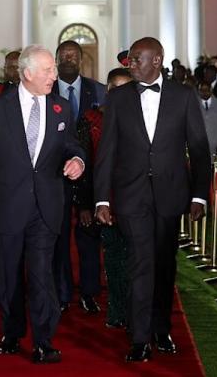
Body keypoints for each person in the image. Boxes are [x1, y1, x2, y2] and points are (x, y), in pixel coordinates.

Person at [93, 37, 210, 363]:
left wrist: (200, 194)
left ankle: (161, 328)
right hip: (131, 196)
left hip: (171, 195)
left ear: (156, 60)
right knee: (140, 262)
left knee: (164, 264)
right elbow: (107, 151)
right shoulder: (118, 98)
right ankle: (140, 337)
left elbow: (199, 150)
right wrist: (102, 199)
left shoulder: (183, 96)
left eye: (135, 59)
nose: (130, 64)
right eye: (130, 60)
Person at [0, 44, 86, 365]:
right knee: (8, 275)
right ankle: (11, 331)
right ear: (28, 73)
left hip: (47, 207)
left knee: (41, 275)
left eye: (53, 69)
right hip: (6, 205)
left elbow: (73, 146)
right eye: (48, 70)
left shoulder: (61, 108)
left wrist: (77, 160)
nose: (54, 75)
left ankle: (43, 341)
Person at [51, 40, 106, 315]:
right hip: (55, 176)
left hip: (90, 175)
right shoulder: (46, 91)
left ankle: (89, 293)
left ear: (81, 59)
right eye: (64, 55)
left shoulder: (98, 91)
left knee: (88, 238)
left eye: (74, 55)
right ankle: (61, 293)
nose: (69, 59)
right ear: (57, 59)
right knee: (58, 238)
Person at [82, 67, 132, 329]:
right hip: (106, 202)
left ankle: (136, 310)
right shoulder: (92, 120)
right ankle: (117, 309)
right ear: (107, 90)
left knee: (136, 261)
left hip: (136, 203)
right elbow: (88, 166)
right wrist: (90, 203)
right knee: (113, 259)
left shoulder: (141, 119)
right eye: (115, 89)